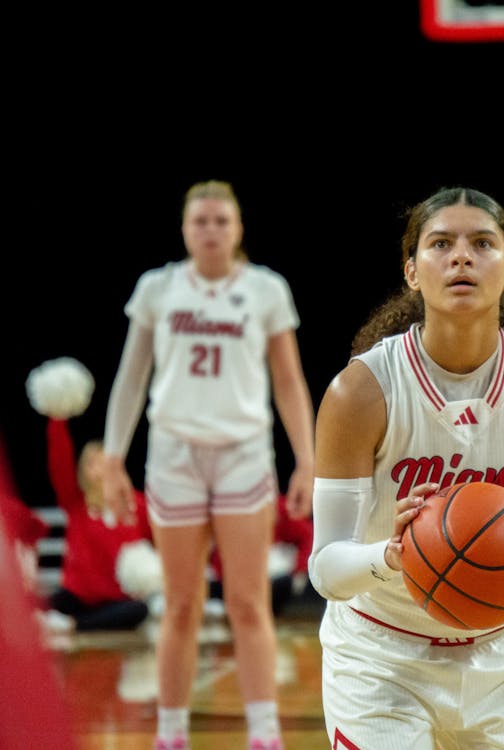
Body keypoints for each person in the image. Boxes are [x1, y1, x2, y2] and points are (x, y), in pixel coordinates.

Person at [307, 186, 504, 749]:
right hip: (380, 657)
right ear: (412, 272)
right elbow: (325, 567)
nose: (461, 256)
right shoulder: (361, 391)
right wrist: (391, 557)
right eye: (440, 244)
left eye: (481, 243)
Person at [101, 180, 315, 750]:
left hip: (244, 454)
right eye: (201, 221)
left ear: (239, 228)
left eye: (222, 220)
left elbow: (289, 382)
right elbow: (131, 376)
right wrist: (114, 457)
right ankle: (170, 732)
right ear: (185, 229)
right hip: (174, 454)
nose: (212, 230)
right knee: (180, 604)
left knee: (248, 600)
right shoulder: (158, 288)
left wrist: (308, 461)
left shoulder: (266, 290)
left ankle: (265, 732)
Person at [43, 415, 155, 632]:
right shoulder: (76, 502)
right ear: (84, 470)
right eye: (91, 462)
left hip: (118, 600)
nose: (98, 467)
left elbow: (159, 543)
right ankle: (75, 621)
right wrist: (58, 417)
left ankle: (75, 625)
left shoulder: (137, 504)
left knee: (138, 610)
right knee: (39, 604)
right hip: (78, 597)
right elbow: (59, 459)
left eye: (103, 460)